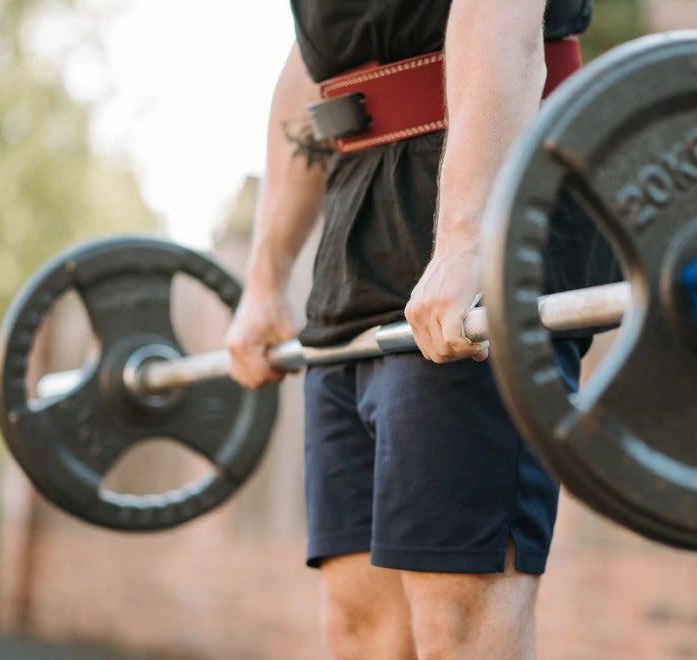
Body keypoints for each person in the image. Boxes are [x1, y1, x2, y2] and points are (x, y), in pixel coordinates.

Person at [225, 1, 612, 657]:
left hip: (485, 193)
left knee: (455, 623)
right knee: (358, 626)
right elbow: (314, 58)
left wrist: (466, 241)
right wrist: (264, 280)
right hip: (353, 232)